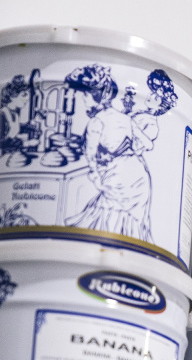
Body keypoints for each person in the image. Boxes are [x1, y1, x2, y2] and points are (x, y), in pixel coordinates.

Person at [63, 64, 153, 242]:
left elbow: (90, 158)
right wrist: (128, 149)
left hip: (117, 178)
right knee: (130, 221)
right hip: (139, 176)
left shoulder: (96, 122)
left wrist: (98, 178)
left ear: (96, 95)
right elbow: (148, 144)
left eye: (84, 94)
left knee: (105, 216)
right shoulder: (125, 118)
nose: (82, 99)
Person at [129, 69, 178, 155]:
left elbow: (138, 147)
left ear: (160, 106)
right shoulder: (138, 112)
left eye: (156, 97)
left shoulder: (152, 126)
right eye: (152, 93)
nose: (150, 96)